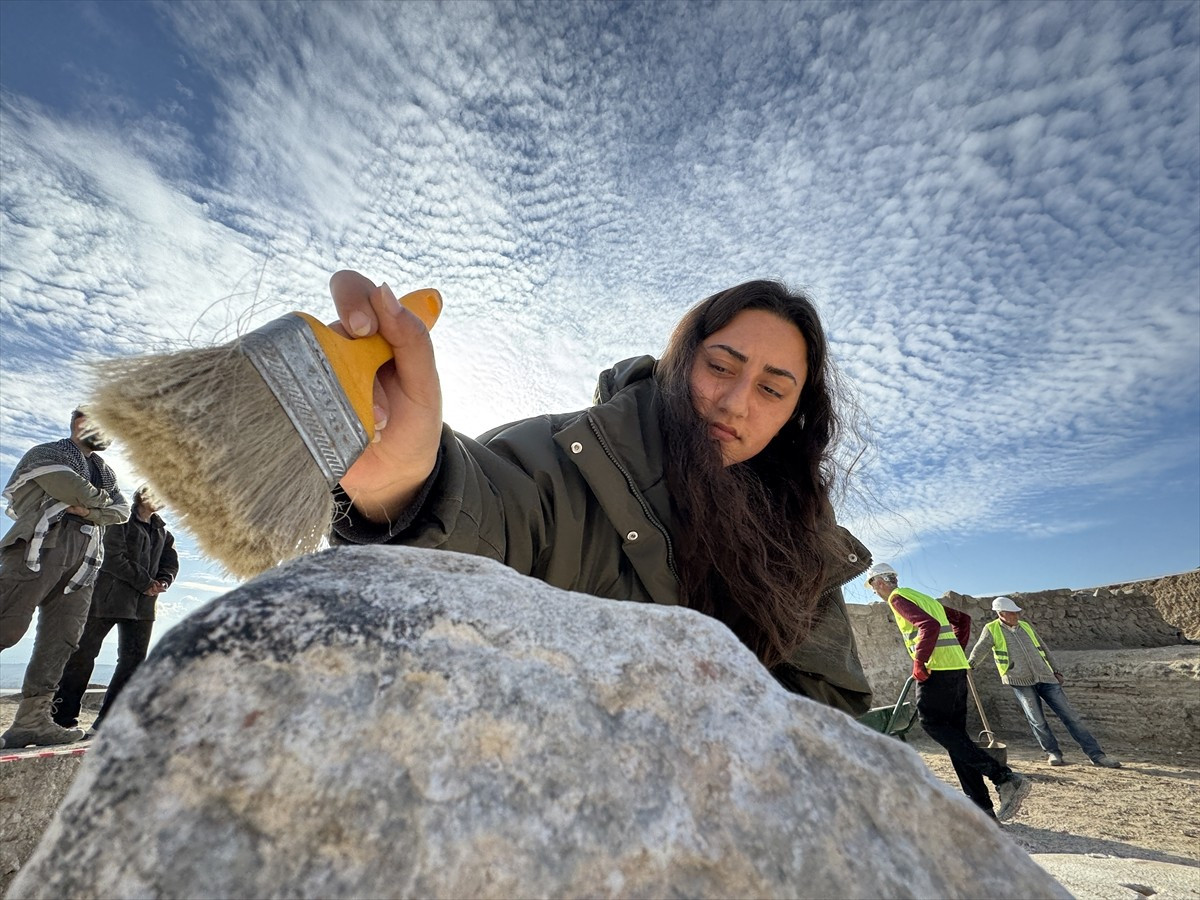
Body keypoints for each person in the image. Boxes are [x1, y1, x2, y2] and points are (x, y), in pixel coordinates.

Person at [328, 272, 874, 714]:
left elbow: (832, 703)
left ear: (794, 417)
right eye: (720, 367)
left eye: (772, 390)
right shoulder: (561, 456)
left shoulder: (802, 541)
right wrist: (403, 483)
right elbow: (491, 516)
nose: (735, 403)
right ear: (681, 360)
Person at [0, 409, 130, 748]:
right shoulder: (48, 453)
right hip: (41, 544)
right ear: (78, 423)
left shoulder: (106, 472)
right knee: (6, 622)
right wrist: (98, 505)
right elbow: (72, 489)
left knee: (63, 639)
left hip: (86, 558)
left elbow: (123, 511)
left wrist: (89, 511)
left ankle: (31, 721)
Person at [864, 562, 1031, 822]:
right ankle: (982, 808)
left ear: (880, 583)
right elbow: (963, 620)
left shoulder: (897, 598)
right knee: (956, 738)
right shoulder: (920, 597)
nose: (874, 592)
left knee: (932, 723)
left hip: (937, 671)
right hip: (955, 669)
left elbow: (928, 626)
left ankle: (1004, 777)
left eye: (873, 586)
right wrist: (955, 652)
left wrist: (920, 662)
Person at [52, 485, 178, 735]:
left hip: (143, 607)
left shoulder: (164, 533)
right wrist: (145, 582)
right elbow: (111, 556)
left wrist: (163, 582)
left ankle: (107, 722)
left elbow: (170, 563)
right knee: (82, 656)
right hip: (107, 600)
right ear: (142, 496)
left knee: (132, 663)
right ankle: (62, 718)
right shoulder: (119, 520)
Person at [969, 596, 1121, 768]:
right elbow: (980, 648)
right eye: (1012, 613)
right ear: (1000, 613)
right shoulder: (991, 629)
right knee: (1037, 720)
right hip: (1020, 680)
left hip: (1046, 677)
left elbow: (1043, 648)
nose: (1016, 615)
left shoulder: (1025, 626)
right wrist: (970, 665)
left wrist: (1056, 670)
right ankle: (1053, 753)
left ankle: (1097, 755)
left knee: (1071, 717)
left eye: (1017, 612)